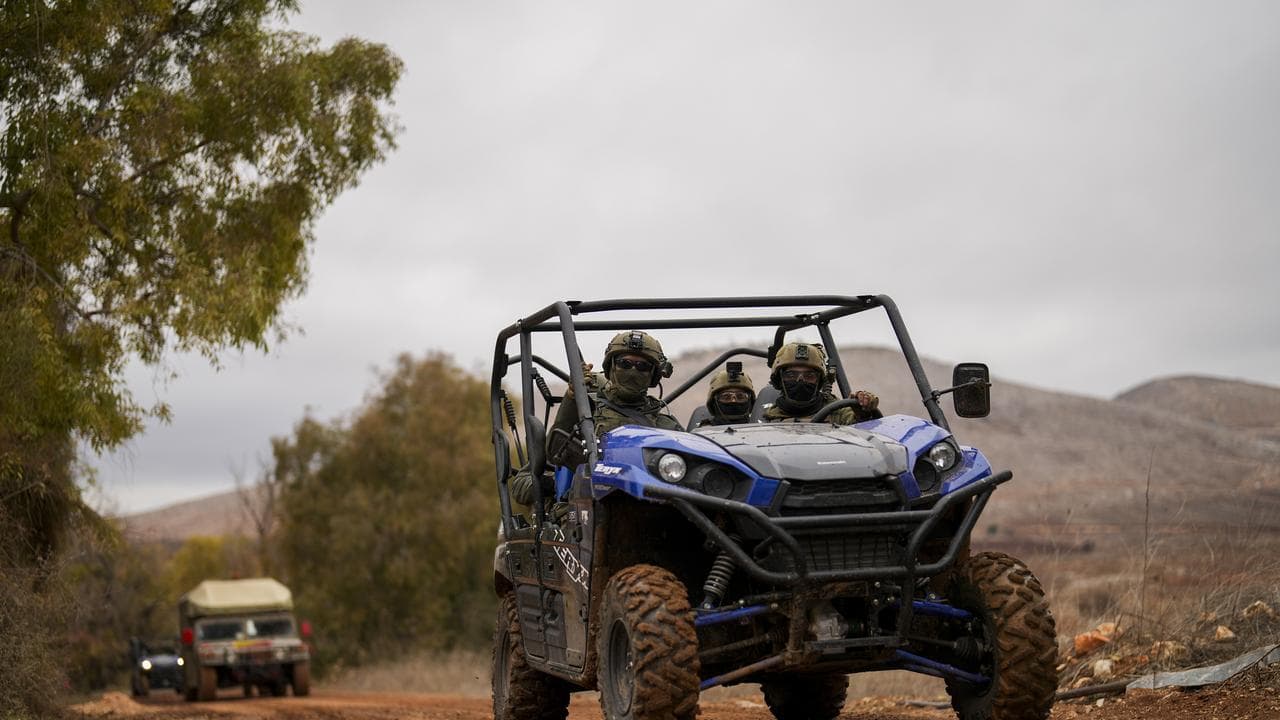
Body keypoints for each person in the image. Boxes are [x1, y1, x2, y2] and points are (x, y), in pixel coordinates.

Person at [511, 331, 682, 508]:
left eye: (642, 366)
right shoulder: (583, 414)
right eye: (625, 363)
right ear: (611, 366)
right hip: (585, 515)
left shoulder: (666, 427)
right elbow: (521, 485)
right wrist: (554, 484)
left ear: (654, 375)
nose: (632, 371)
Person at [761, 342, 882, 424]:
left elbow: (864, 431)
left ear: (819, 381)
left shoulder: (837, 412)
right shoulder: (766, 418)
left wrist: (863, 412)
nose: (800, 381)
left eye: (809, 376)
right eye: (791, 375)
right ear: (779, 380)